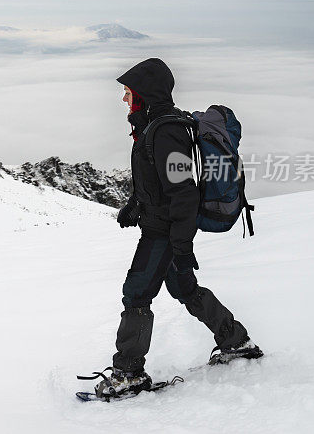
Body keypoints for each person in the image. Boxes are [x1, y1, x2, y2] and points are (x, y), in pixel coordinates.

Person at [94, 58, 262, 398]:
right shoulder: (154, 125)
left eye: (128, 93)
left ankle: (129, 373)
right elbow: (156, 179)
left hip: (165, 232)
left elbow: (183, 191)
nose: (125, 99)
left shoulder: (166, 131)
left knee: (137, 293)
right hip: (163, 225)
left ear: (145, 94)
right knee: (184, 288)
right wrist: (134, 205)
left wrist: (181, 245)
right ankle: (236, 341)